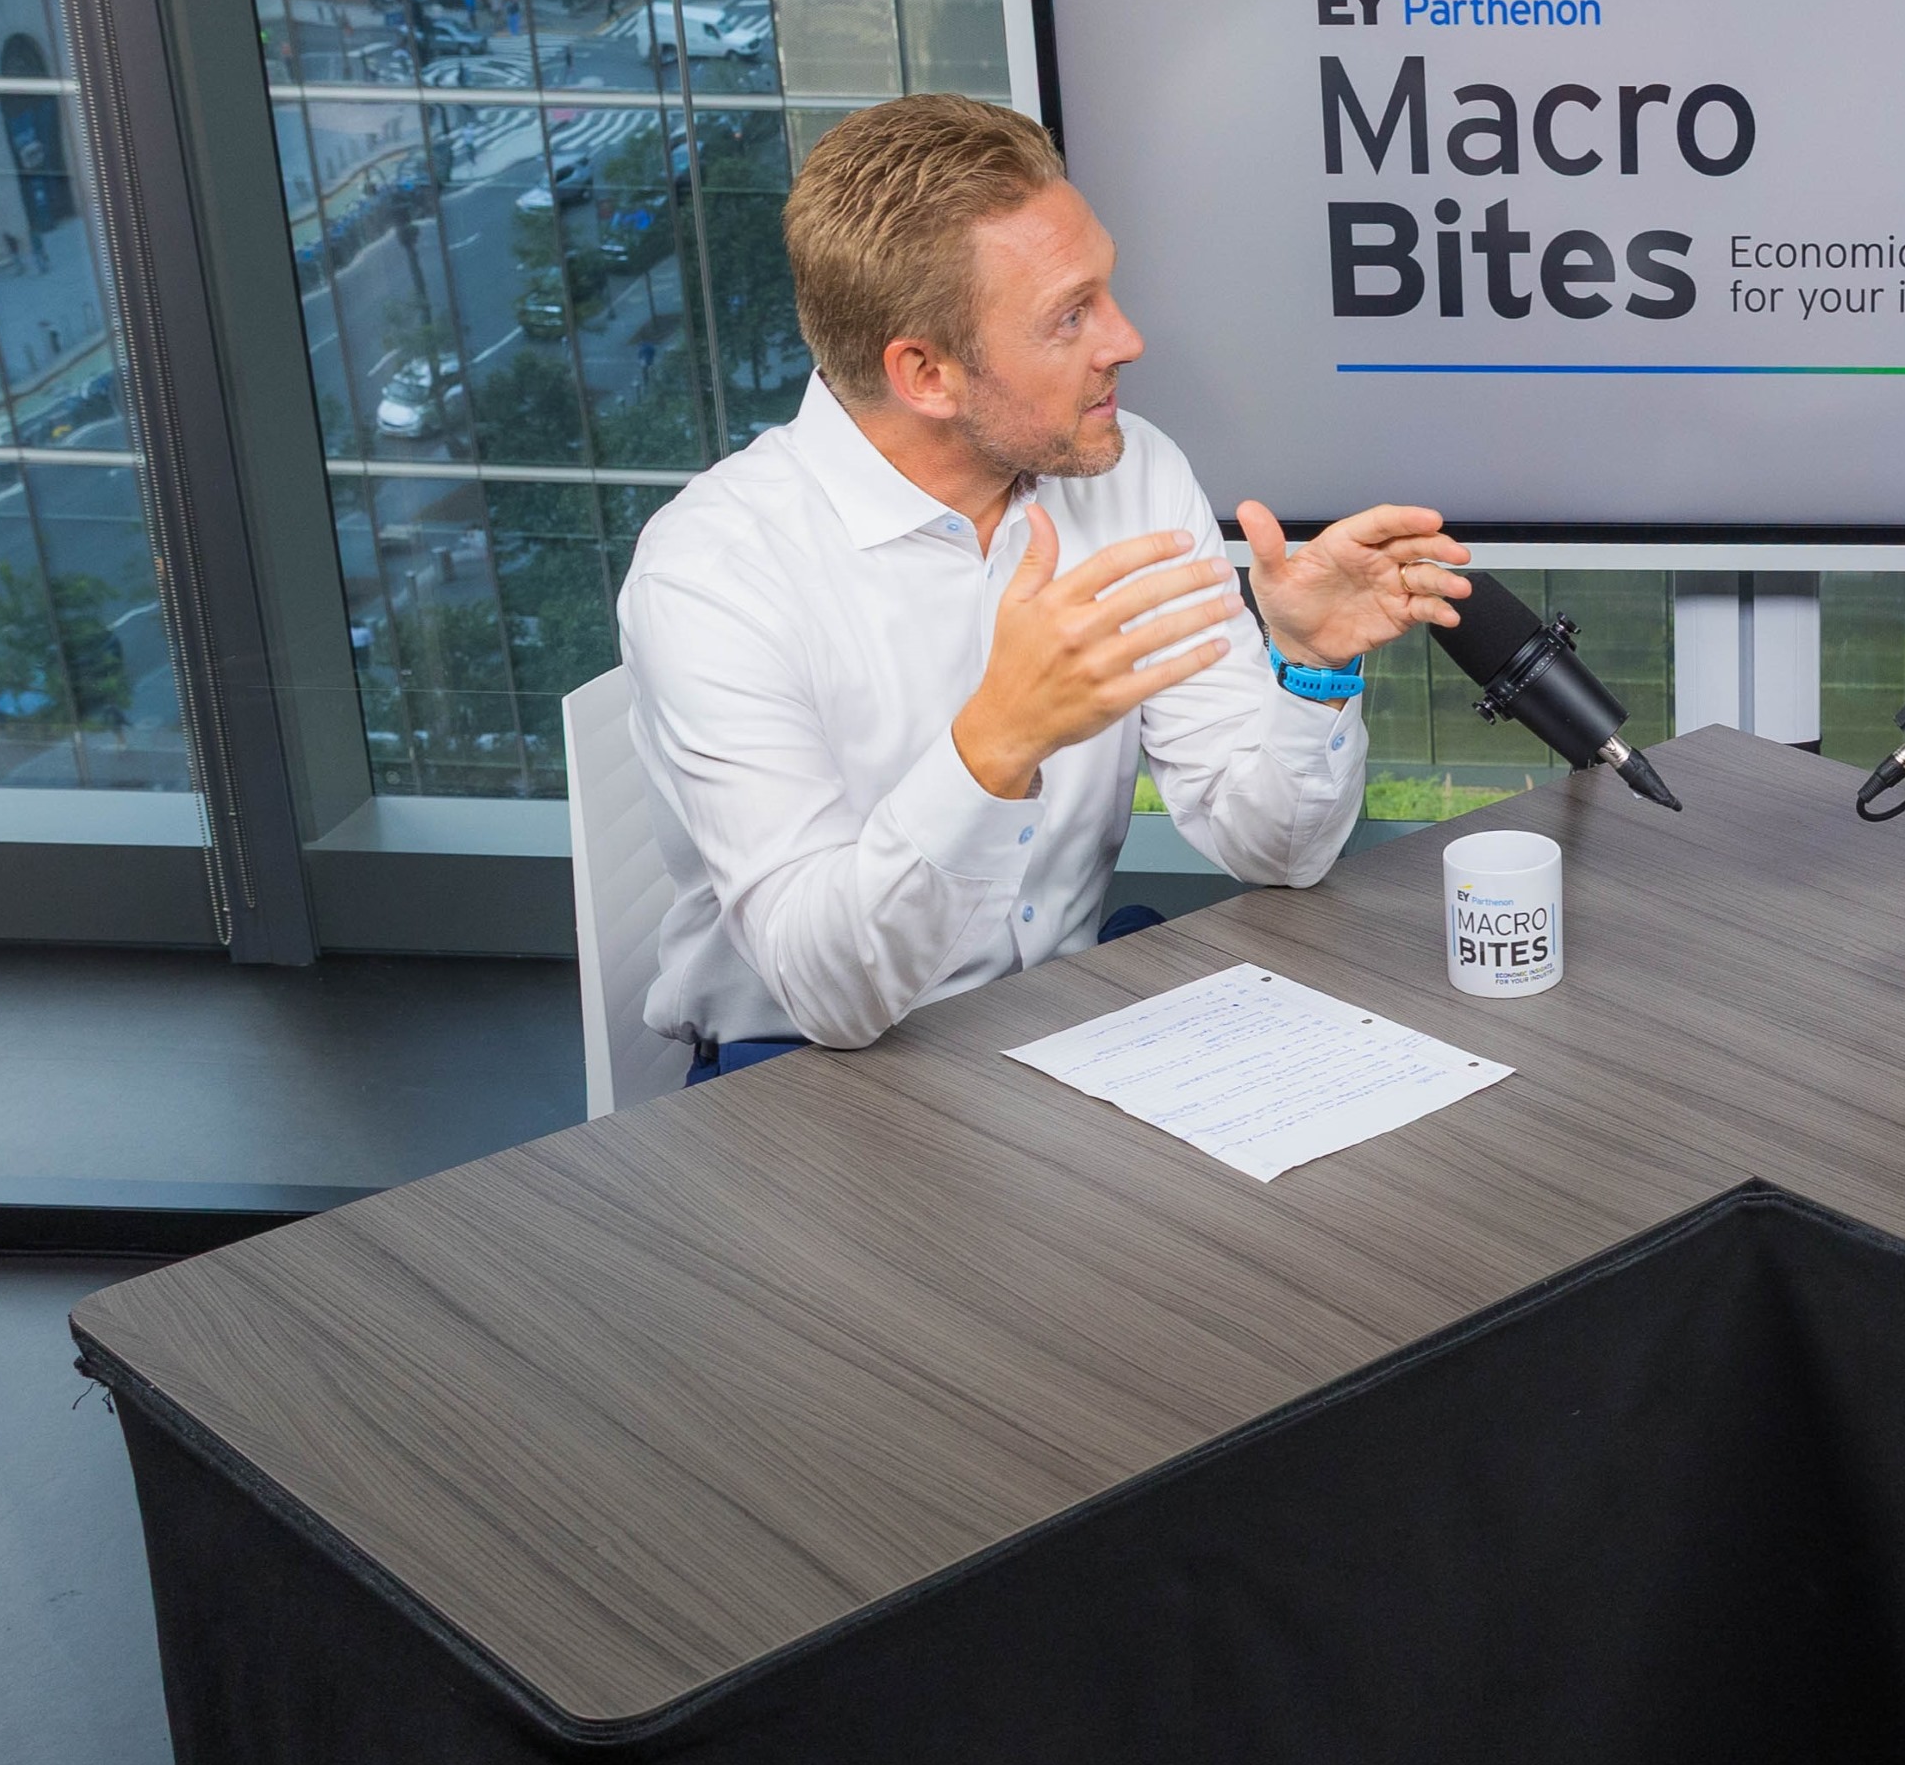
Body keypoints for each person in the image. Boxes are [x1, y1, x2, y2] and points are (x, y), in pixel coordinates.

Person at [619, 94, 1471, 1074]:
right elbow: (831, 993)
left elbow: (1278, 849)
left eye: (1107, 289)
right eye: (1072, 315)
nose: (1126, 339)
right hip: (802, 1074)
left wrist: (1309, 669)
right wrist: (998, 742)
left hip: (1063, 1025)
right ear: (926, 374)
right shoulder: (712, 576)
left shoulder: (1130, 472)